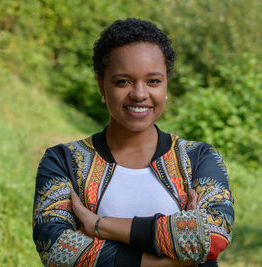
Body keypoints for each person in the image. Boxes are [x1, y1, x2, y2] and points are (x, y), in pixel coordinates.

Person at [32, 18, 234, 267]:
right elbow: (55, 247)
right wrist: (169, 258)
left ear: (166, 85)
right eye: (123, 81)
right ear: (101, 85)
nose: (139, 93)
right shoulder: (63, 161)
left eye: (153, 81)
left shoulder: (198, 157)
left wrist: (99, 226)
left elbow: (215, 233)